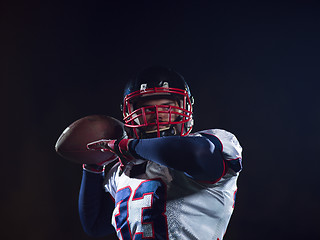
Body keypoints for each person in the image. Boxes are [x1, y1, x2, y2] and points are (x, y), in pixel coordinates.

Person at [78, 66, 243, 240]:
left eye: (167, 106)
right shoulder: (124, 170)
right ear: (130, 114)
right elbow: (95, 224)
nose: (158, 115)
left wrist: (128, 146)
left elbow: (195, 154)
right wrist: (92, 165)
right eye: (147, 109)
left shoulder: (210, 145)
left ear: (185, 107)